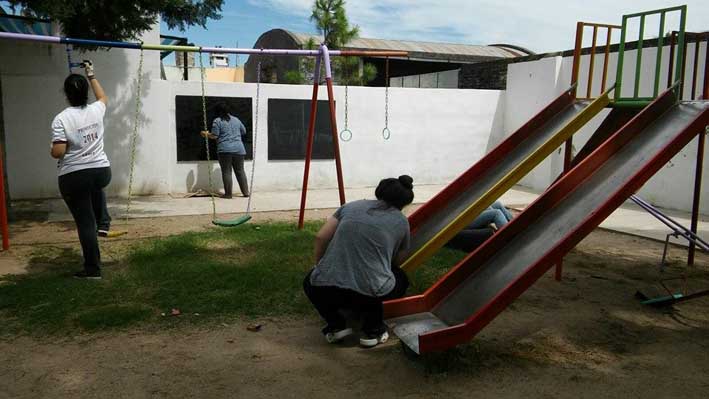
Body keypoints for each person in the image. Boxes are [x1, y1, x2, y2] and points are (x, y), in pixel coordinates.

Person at [303, 175, 414, 348]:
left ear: (380, 191)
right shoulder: (401, 221)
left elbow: (321, 237)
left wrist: (320, 266)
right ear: (404, 201)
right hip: (369, 293)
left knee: (311, 281)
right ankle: (373, 330)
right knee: (400, 278)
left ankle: (336, 325)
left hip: (325, 288)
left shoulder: (351, 206)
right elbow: (398, 259)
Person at [50, 61, 110, 279]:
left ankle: (92, 269)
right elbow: (103, 98)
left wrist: (51, 148)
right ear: (86, 92)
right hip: (101, 171)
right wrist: (92, 74)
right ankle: (104, 221)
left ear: (66, 94)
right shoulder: (96, 109)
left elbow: (58, 152)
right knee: (94, 188)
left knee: (85, 222)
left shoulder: (61, 119)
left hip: (74, 175)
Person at [200, 103, 249, 198]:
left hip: (225, 150)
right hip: (239, 149)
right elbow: (244, 131)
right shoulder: (236, 120)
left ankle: (228, 194)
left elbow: (214, 135)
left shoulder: (217, 121)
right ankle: (246, 192)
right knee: (240, 171)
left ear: (218, 111)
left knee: (227, 172)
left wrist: (205, 134)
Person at [445, 201, 514, 252]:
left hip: (470, 214)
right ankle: (508, 235)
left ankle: (514, 223)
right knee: (496, 213)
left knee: (497, 204)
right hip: (463, 221)